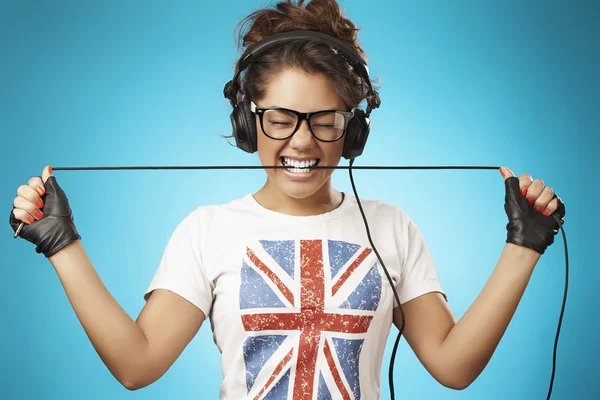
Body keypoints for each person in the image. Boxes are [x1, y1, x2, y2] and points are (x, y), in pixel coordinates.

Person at [9, 0, 565, 399]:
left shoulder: (392, 228)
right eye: (278, 120)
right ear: (248, 122)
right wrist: (63, 245)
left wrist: (524, 247)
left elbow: (453, 366)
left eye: (324, 122)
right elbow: (137, 365)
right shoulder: (207, 230)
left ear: (354, 130)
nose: (301, 142)